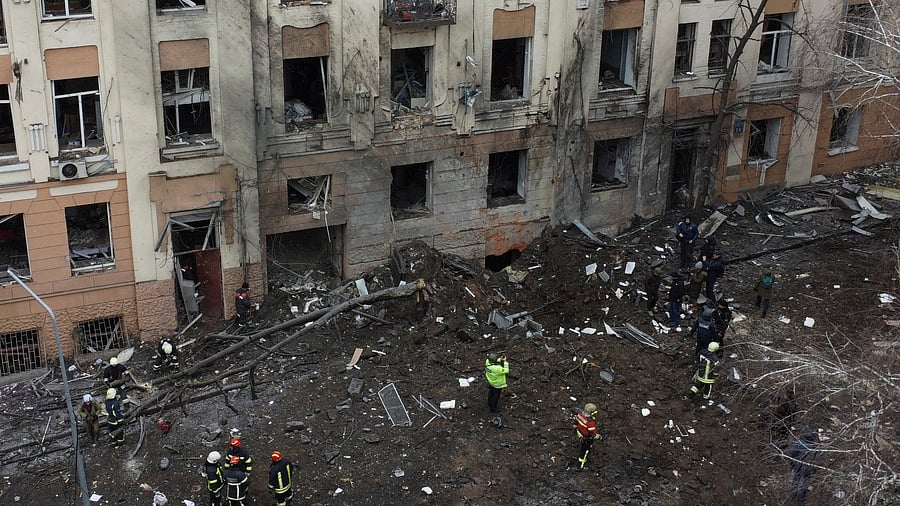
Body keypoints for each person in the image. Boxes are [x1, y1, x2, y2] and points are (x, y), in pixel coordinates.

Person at [788, 428, 819, 503]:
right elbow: (816, 458)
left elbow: (792, 454)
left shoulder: (798, 443)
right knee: (806, 481)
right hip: (808, 466)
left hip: (798, 464)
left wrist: (792, 463)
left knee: (796, 478)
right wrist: (814, 468)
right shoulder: (814, 446)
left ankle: (793, 494)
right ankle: (801, 498)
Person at [574, 403, 601, 469]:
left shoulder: (580, 415)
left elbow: (575, 423)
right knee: (585, 451)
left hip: (579, 433)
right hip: (586, 438)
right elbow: (593, 434)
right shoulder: (590, 422)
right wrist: (599, 437)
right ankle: (580, 466)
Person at [484, 353, 510, 422]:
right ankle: (493, 408)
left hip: (491, 381)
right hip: (498, 384)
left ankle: (489, 403)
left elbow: (495, 362)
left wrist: (501, 359)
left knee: (491, 392)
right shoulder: (497, 369)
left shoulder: (487, 362)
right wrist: (505, 362)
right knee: (496, 396)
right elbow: (506, 370)